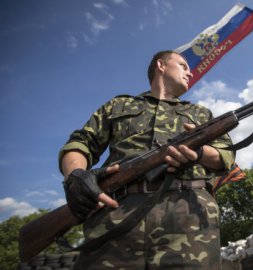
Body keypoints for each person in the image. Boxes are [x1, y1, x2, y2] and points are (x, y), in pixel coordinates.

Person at [59, 50, 235, 269]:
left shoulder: (200, 114)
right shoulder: (118, 105)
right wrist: (75, 175)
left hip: (189, 220)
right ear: (161, 65)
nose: (190, 73)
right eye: (183, 65)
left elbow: (225, 155)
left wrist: (198, 152)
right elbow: (80, 142)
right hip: (115, 217)